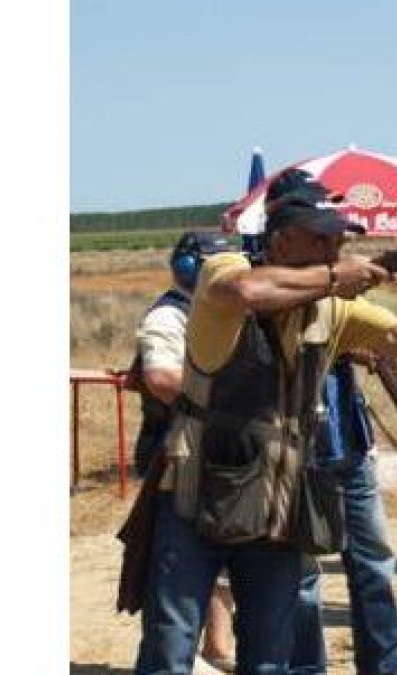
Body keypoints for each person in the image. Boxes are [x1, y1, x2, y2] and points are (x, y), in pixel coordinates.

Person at [131, 168, 397, 675]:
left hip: (278, 502)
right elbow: (247, 291)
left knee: (269, 656)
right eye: (323, 238)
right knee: (169, 649)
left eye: (338, 240)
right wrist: (337, 278)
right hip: (194, 489)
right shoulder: (226, 266)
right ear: (283, 239)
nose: (335, 249)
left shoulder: (332, 305)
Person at [129, 230, 237, 673]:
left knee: (219, 555)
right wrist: (233, 401)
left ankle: (217, 646)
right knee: (176, 573)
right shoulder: (168, 317)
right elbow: (161, 378)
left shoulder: (215, 311)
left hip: (213, 448)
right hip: (174, 452)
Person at [289, 354, 397, 675]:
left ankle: (385, 664)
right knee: (300, 575)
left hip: (349, 445)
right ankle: (306, 668)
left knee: (373, 560)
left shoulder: (341, 307)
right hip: (294, 454)